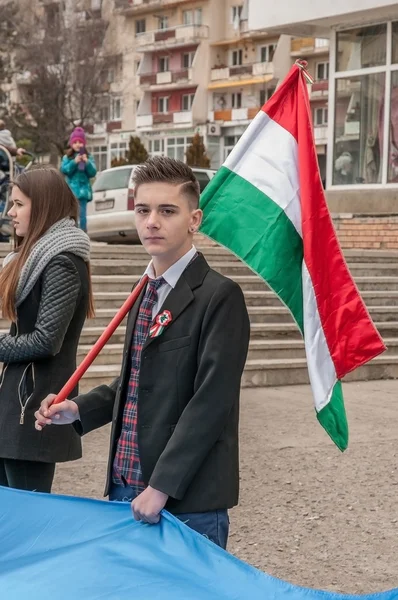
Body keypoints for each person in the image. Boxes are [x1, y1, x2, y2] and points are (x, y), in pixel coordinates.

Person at [35, 157, 250, 550]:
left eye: (167, 210)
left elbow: (211, 403)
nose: (152, 221)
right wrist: (81, 409)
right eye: (143, 210)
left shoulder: (220, 296)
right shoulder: (146, 290)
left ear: (194, 219)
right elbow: (137, 379)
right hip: (126, 488)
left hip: (184, 501)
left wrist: (162, 487)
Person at [0, 167, 95, 493]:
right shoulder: (32, 259)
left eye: (18, 204)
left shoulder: (62, 261)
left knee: (27, 522)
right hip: (15, 406)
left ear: (43, 206)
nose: (9, 212)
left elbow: (45, 341)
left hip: (34, 407)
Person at [60, 127, 97, 232]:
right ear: (71, 144)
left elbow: (93, 172)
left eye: (80, 142)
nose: (78, 144)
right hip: (70, 191)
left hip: (83, 191)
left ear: (84, 144)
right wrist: (74, 162)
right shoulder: (67, 157)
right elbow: (64, 170)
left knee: (82, 215)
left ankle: (83, 232)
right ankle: (71, 233)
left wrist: (87, 163)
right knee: (70, 215)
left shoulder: (88, 157)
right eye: (75, 142)